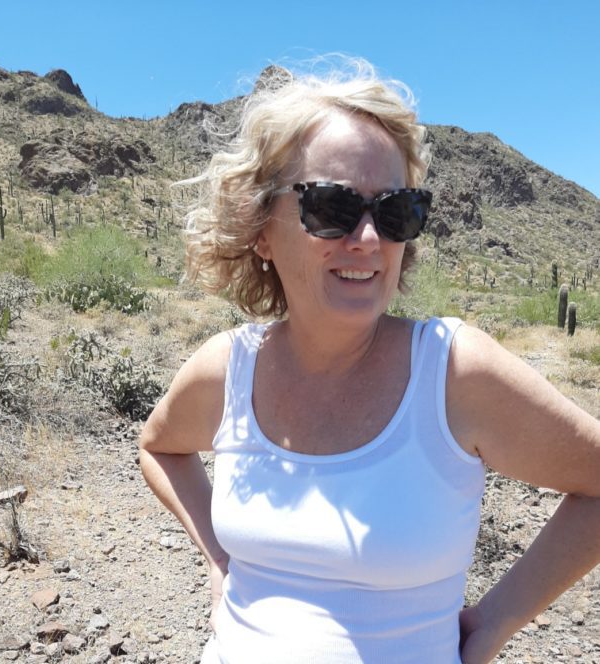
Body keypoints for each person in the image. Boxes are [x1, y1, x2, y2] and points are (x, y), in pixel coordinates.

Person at [139, 58, 600, 663]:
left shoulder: (453, 373)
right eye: (331, 207)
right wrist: (219, 557)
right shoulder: (228, 369)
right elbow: (159, 445)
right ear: (260, 228)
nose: (368, 239)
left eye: (394, 212)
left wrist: (496, 621)